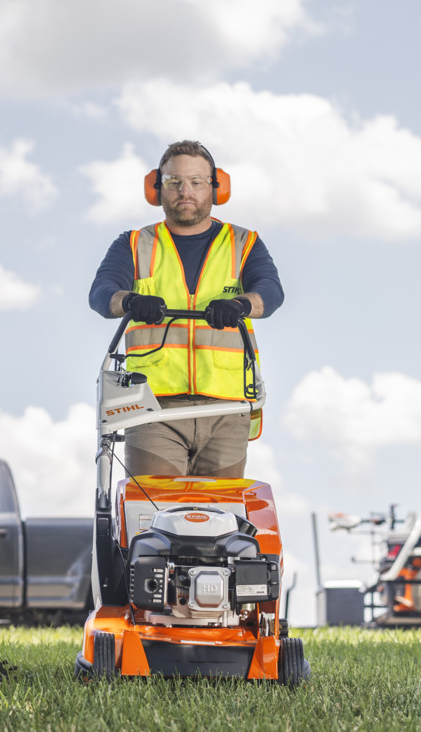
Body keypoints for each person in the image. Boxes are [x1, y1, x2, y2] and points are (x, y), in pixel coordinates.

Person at [87, 139, 285, 479]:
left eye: (197, 181)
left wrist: (240, 305)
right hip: (154, 407)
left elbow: (270, 293)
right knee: (154, 514)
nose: (185, 191)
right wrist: (130, 301)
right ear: (156, 188)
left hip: (227, 406)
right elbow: (102, 293)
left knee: (223, 519)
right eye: (174, 181)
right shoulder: (134, 245)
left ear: (217, 187)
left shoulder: (244, 243)